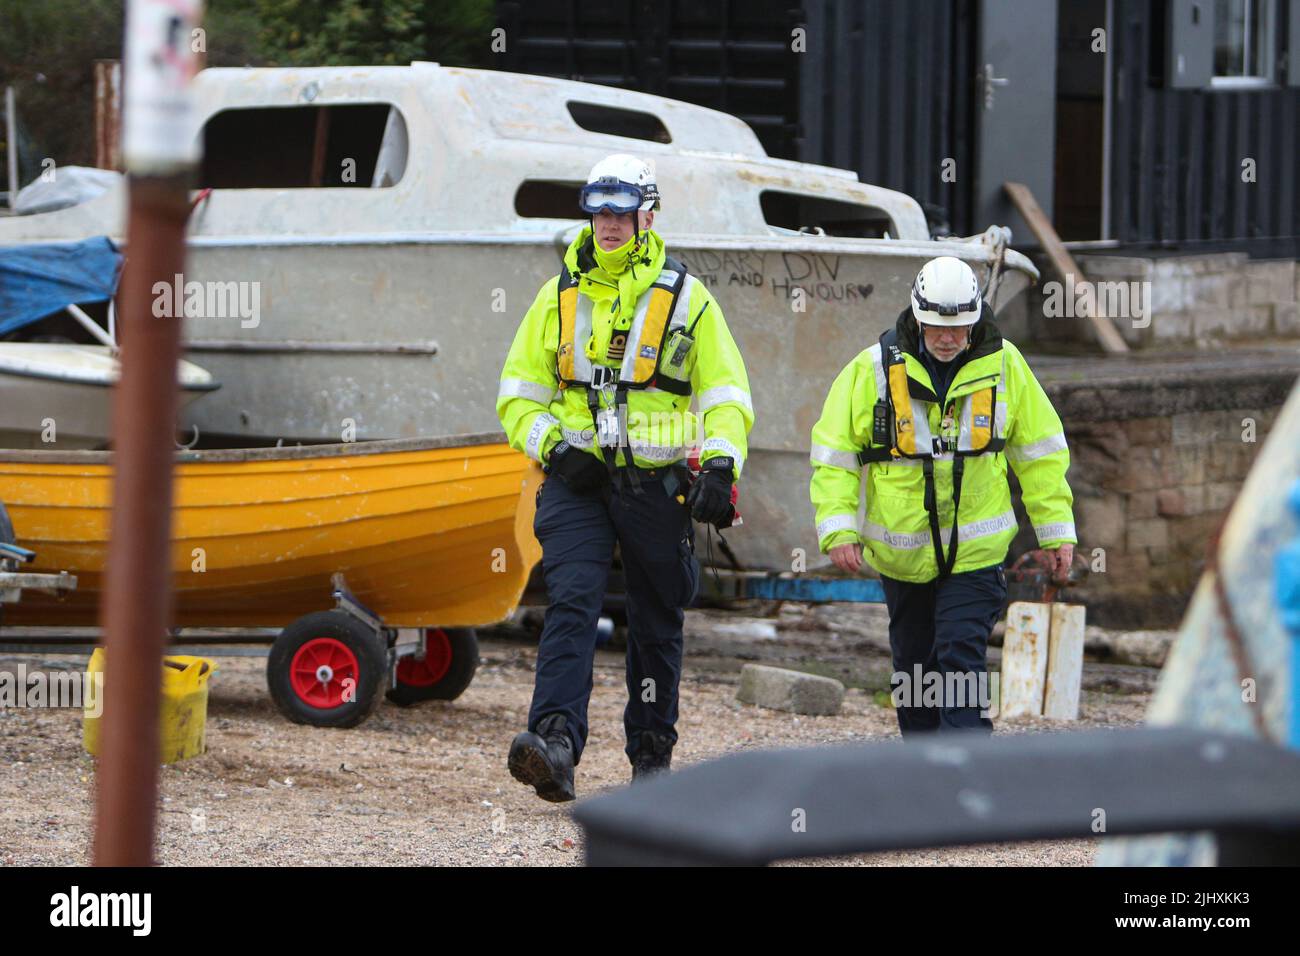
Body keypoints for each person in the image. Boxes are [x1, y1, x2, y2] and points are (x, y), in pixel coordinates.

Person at [497, 153, 753, 800]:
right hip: (576, 485)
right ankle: (554, 744)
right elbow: (516, 395)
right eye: (598, 210)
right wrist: (555, 449)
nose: (608, 224)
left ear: (647, 214)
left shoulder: (687, 299)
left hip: (656, 487)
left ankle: (650, 761)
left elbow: (725, 393)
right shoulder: (559, 295)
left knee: (656, 619)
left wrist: (721, 463)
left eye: (620, 211)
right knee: (573, 603)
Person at [809, 256, 1075, 734]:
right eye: (936, 327)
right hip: (902, 554)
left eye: (959, 327)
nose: (948, 338)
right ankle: (925, 779)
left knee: (959, 656)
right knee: (913, 672)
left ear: (975, 319)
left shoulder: (1005, 367)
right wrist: (838, 527)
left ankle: (964, 777)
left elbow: (1039, 453)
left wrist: (1056, 532)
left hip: (976, 553)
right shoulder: (872, 369)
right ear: (917, 316)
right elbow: (835, 453)